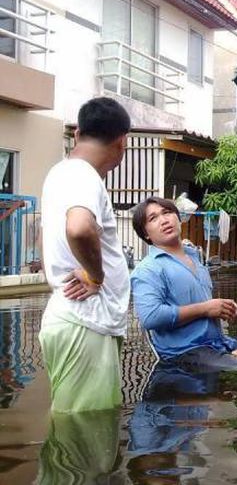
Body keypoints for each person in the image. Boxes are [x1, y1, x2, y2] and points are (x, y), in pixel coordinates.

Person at [38, 97, 131, 413]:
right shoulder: (82, 175)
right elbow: (79, 228)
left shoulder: (62, 173)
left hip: (76, 318)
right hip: (84, 320)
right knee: (83, 433)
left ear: (77, 134)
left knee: (79, 431)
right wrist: (97, 275)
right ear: (121, 144)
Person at [130, 197, 237, 370]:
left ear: (178, 218)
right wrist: (206, 309)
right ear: (145, 233)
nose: (164, 220)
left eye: (167, 212)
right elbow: (151, 317)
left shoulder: (195, 257)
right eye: (153, 218)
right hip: (184, 353)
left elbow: (204, 305)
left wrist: (221, 308)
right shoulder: (148, 269)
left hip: (218, 343)